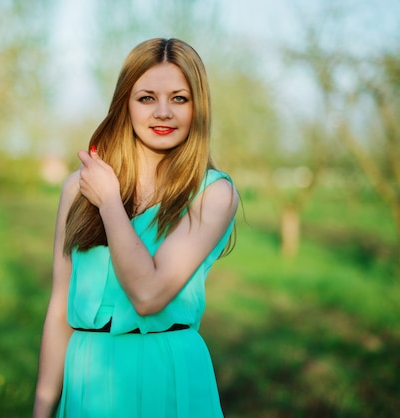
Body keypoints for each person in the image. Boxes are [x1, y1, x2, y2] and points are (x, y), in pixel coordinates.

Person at [33, 38, 238, 418]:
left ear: (199, 108)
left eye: (179, 98)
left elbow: (148, 295)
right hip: (88, 380)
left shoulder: (214, 193)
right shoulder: (77, 189)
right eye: (146, 98)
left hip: (169, 379)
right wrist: (43, 406)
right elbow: (59, 308)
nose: (163, 112)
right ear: (125, 103)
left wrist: (111, 203)